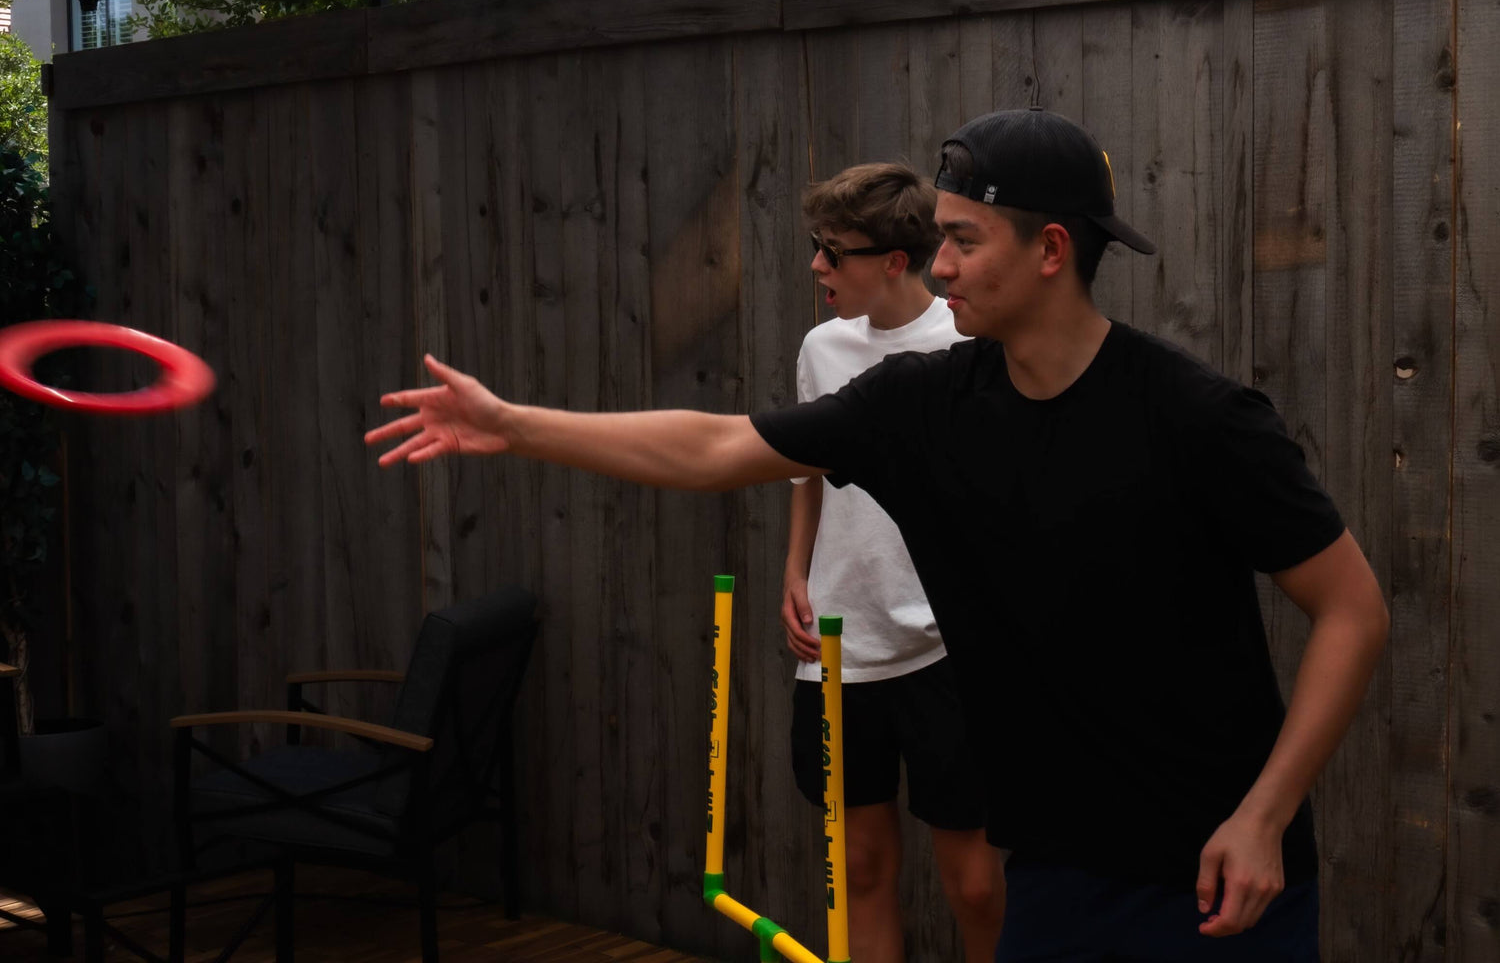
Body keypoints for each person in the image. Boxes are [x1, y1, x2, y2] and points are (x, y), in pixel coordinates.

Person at [366, 108, 1389, 962]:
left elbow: (1352, 610)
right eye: (937, 236)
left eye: (964, 240)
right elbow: (718, 446)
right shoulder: (918, 404)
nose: (938, 265)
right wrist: (515, 425)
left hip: (1217, 875)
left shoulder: (1197, 418)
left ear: (1051, 250)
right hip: (1055, 872)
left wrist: (1265, 814)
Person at [783, 162, 1003, 963]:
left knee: (974, 881)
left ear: (893, 261)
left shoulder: (968, 342)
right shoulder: (821, 349)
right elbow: (805, 473)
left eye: (831, 252)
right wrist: (795, 573)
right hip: (840, 648)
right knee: (863, 864)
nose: (817, 267)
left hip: (947, 650)